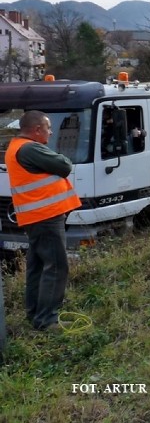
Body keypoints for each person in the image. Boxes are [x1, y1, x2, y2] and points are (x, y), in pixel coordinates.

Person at [5, 110, 82, 331]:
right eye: (48, 128)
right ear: (37, 130)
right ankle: (47, 320)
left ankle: (35, 315)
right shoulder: (29, 148)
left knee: (37, 266)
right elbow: (64, 165)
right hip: (45, 216)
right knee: (56, 266)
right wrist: (60, 158)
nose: (50, 132)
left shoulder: (17, 147)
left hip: (37, 217)